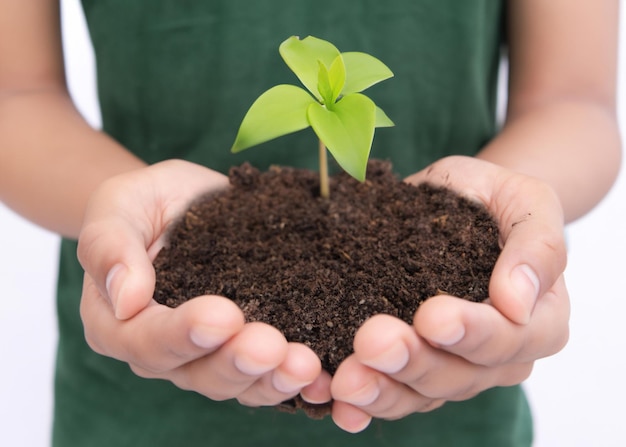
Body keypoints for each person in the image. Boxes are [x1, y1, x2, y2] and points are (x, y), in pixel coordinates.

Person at [0, 0, 621, 445]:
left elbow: (572, 100)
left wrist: (509, 210)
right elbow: (16, 95)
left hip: (458, 413)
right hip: (136, 407)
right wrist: (119, 209)